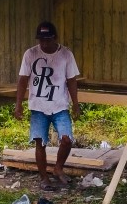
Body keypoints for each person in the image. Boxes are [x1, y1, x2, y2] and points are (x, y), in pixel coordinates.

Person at [14, 21, 81, 190]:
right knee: (40, 142)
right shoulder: (30, 54)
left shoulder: (66, 54)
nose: (44, 44)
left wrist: (76, 104)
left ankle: (58, 168)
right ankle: (44, 178)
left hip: (60, 106)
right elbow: (23, 80)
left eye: (48, 40)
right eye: (41, 40)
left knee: (66, 139)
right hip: (38, 106)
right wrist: (18, 104)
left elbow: (72, 81)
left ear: (55, 38)